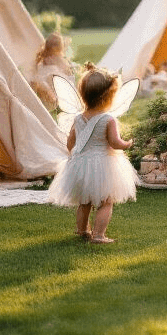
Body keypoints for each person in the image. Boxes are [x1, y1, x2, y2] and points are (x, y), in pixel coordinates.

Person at [49, 65, 138, 243]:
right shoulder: (108, 119)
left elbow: (70, 142)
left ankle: (82, 231)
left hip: (81, 164)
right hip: (103, 165)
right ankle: (98, 235)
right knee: (106, 201)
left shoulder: (78, 118)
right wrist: (127, 143)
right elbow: (114, 142)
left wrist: (75, 156)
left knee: (84, 201)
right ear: (108, 97)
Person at [30, 32, 74, 107]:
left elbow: (69, 77)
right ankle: (52, 99)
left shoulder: (58, 60)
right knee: (39, 81)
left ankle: (54, 100)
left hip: (53, 89)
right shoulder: (45, 60)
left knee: (50, 79)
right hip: (48, 89)